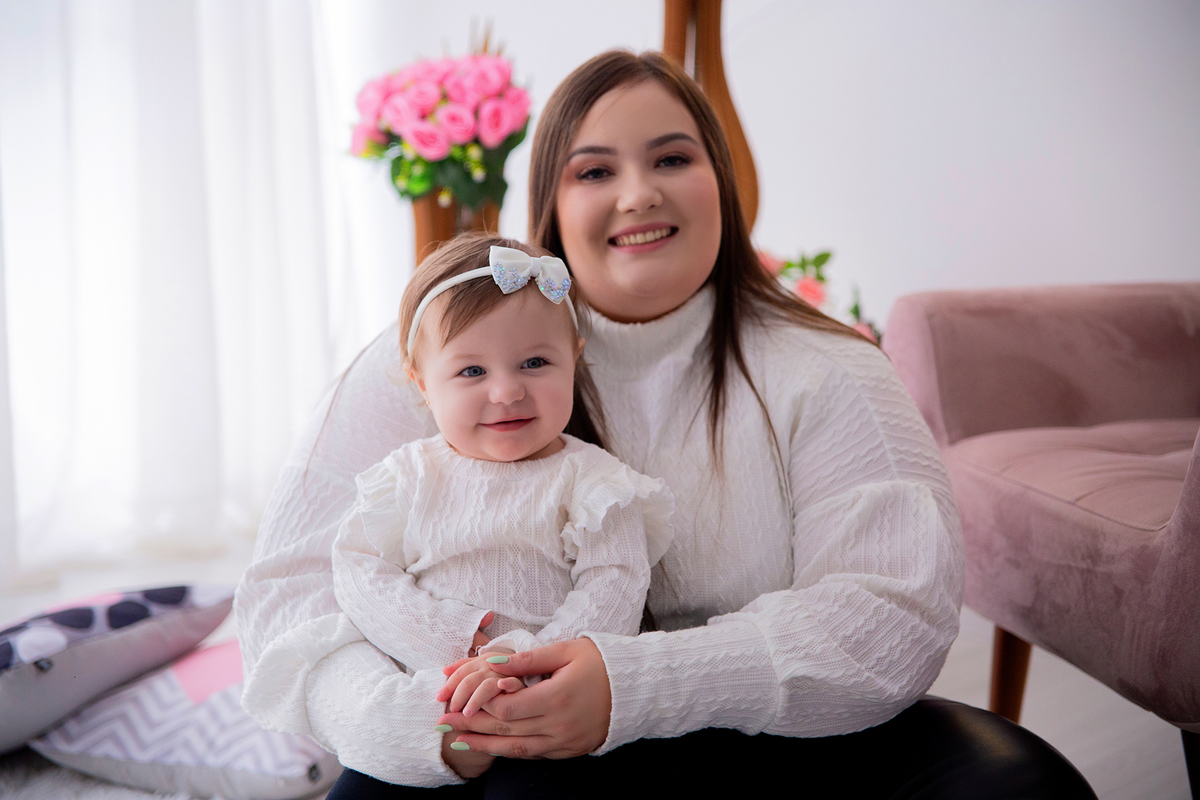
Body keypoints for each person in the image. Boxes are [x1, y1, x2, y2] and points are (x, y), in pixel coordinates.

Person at [236, 50, 1097, 798]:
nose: (638, 194)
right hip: (468, 730)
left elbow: (892, 614)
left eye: (672, 158)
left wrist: (631, 685)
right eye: (595, 170)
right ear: (551, 208)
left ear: (720, 179)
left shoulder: (830, 373)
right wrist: (419, 730)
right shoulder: (439, 358)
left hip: (766, 750)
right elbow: (292, 598)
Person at [331, 234, 672, 750]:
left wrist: (522, 668)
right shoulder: (407, 477)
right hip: (435, 704)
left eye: (535, 363)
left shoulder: (594, 483)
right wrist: (458, 642)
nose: (507, 391)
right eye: (472, 371)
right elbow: (358, 571)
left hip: (554, 710)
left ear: (574, 360)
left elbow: (615, 586)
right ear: (422, 383)